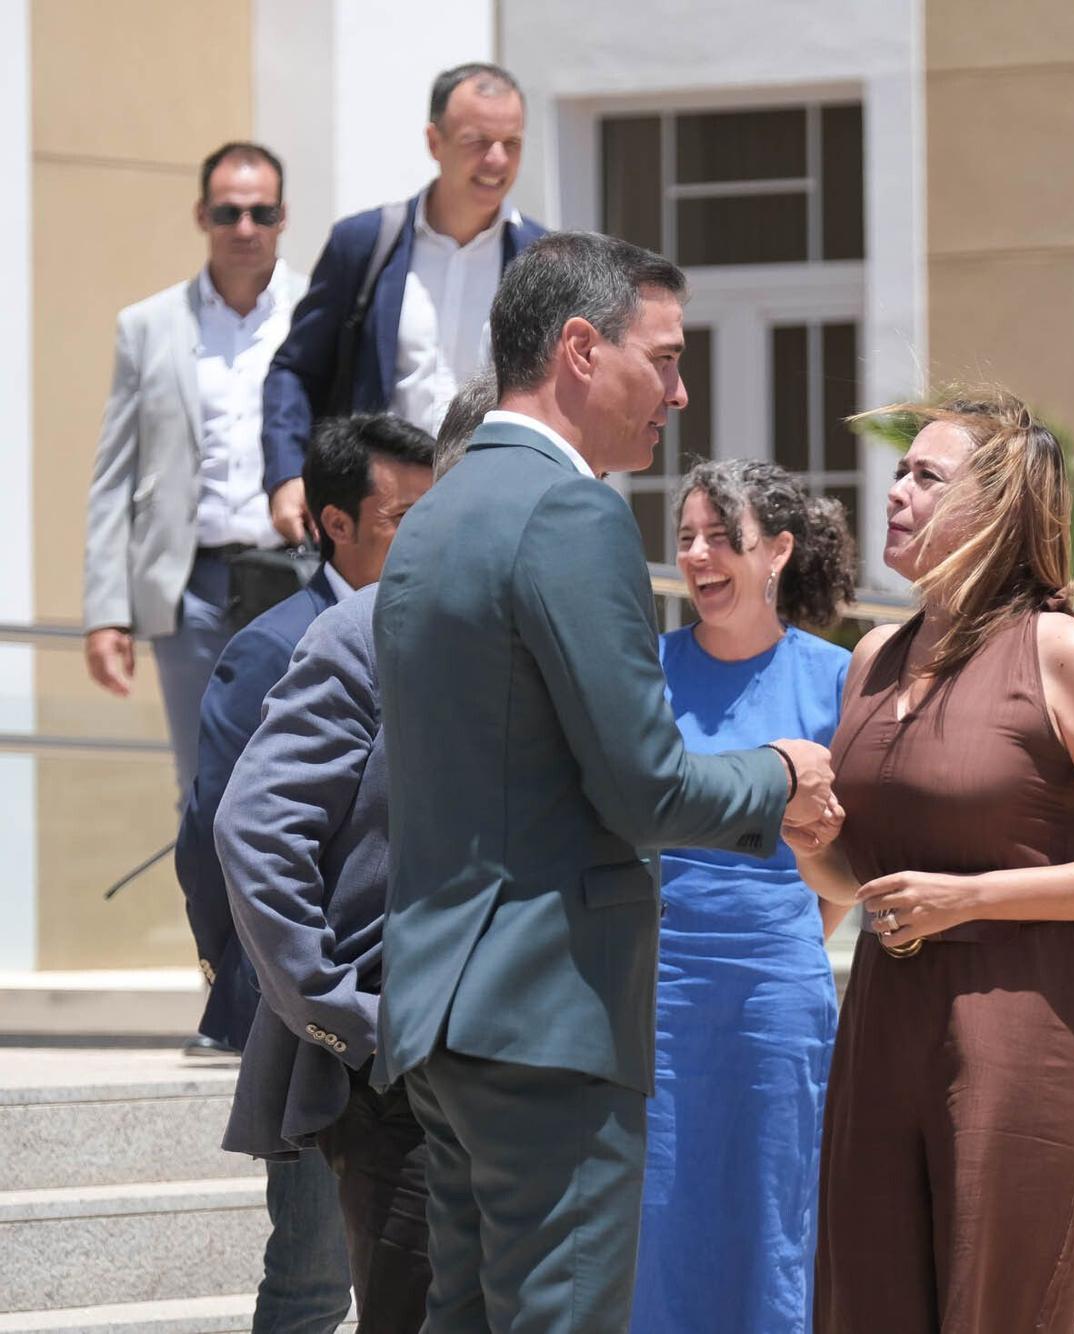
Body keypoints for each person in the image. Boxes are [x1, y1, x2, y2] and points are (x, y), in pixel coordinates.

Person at [371, 230, 840, 1332]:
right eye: (666, 358)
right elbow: (645, 786)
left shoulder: (434, 514)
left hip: (443, 1012)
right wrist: (776, 770)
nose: (677, 393)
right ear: (581, 348)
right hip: (549, 1017)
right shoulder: (571, 510)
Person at [792, 390, 1074, 1334]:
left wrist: (974, 896)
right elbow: (860, 881)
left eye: (924, 476)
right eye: (899, 471)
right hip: (882, 1022)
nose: (894, 491)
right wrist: (809, 840)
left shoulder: (1061, 652)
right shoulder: (870, 658)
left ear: (996, 512)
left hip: (1024, 1027)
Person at [175, 413, 434, 1332]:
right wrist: (285, 995)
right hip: (321, 1032)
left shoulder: (438, 633)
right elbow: (220, 832)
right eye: (404, 515)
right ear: (334, 523)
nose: (428, 533)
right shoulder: (276, 643)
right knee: (313, 1280)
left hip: (410, 1038)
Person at [629, 460, 856, 1334]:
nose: (698, 555)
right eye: (686, 537)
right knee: (661, 1224)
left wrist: (785, 927)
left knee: (776, 1221)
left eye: (723, 537)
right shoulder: (644, 671)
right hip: (659, 992)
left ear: (780, 552)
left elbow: (840, 862)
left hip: (778, 995)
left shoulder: (836, 678)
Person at [83, 141, 303, 815]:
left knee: (301, 783)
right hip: (191, 595)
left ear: (282, 217)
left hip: (298, 579)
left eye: (260, 212)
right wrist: (106, 613)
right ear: (201, 215)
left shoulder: (316, 315)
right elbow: (114, 474)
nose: (245, 228)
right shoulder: (147, 327)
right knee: (206, 793)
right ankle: (215, 927)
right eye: (228, 212)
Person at [262, 62, 545, 543]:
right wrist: (287, 475)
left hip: (493, 524)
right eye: (478, 141)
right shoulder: (365, 245)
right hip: (377, 523)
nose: (497, 160)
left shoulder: (541, 262)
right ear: (435, 142)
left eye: (511, 144)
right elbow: (294, 371)